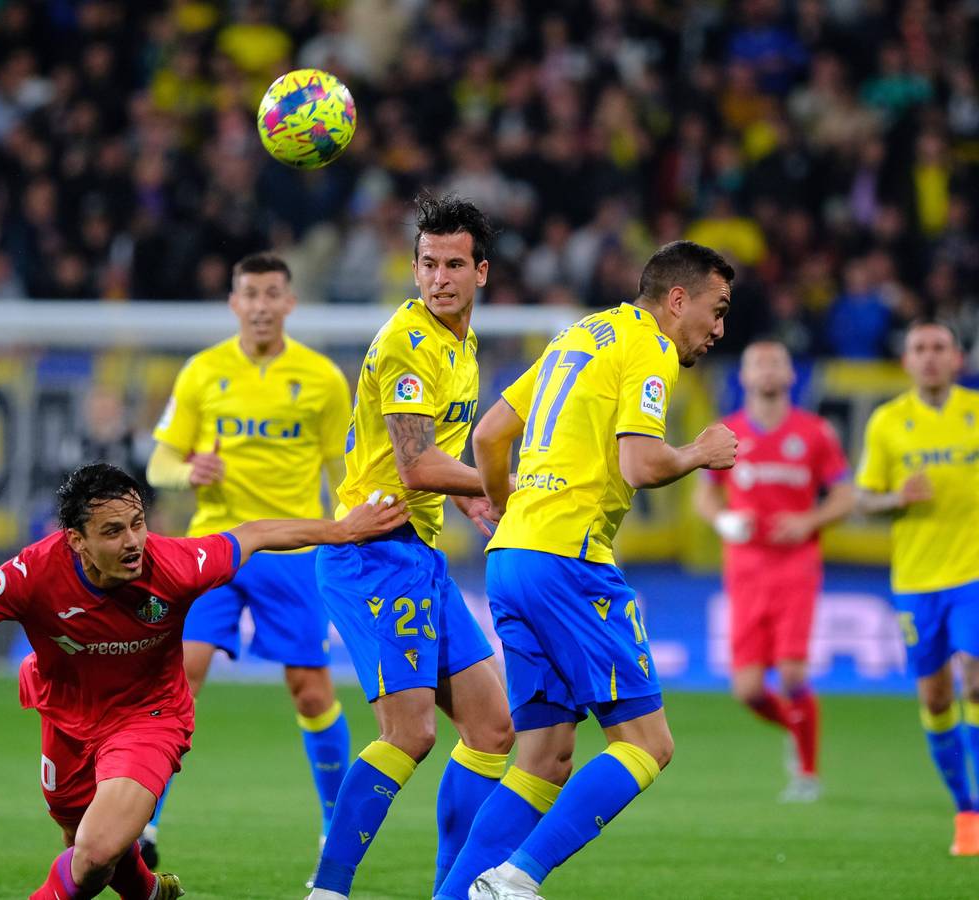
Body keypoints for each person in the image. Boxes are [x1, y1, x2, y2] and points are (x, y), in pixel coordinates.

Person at [0, 463, 407, 900]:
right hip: (66, 720)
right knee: (89, 852)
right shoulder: (31, 573)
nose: (133, 541)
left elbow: (255, 535)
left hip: (149, 719)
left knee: (96, 849)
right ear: (76, 541)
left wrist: (343, 529)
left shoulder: (175, 564)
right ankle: (151, 895)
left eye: (136, 522)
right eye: (113, 531)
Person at [444, 241, 739, 900]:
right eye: (716, 311)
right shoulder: (650, 347)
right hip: (570, 560)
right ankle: (518, 879)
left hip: (512, 557)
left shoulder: (578, 333)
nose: (719, 329)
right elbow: (640, 463)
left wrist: (501, 503)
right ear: (677, 299)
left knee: (542, 760)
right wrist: (698, 451)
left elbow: (491, 433)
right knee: (646, 744)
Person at [306, 193, 515, 900]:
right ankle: (327, 890)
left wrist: (467, 492)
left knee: (492, 728)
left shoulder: (462, 341)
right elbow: (415, 465)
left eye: (454, 264)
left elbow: (437, 457)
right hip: (372, 550)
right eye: (427, 264)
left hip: (416, 552)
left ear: (481, 272)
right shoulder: (409, 342)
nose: (438, 279)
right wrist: (513, 480)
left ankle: (452, 892)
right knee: (410, 734)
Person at [145, 251, 354, 875]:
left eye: (272, 294)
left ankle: (333, 834)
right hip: (216, 543)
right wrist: (187, 470)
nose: (261, 305)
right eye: (250, 294)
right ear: (233, 303)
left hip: (291, 549)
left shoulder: (322, 380)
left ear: (290, 303)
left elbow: (343, 471)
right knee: (181, 676)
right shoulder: (202, 372)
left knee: (311, 690)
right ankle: (144, 826)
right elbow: (159, 462)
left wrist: (351, 531)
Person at [693, 341, 854, 802]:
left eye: (776, 362)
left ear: (790, 375)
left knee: (790, 673)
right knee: (746, 689)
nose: (767, 370)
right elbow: (705, 495)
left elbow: (844, 495)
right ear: (742, 377)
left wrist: (808, 521)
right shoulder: (727, 435)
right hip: (744, 570)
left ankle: (807, 773)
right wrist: (722, 520)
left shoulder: (816, 432)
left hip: (796, 567)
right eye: (757, 363)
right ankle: (795, 727)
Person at [856, 321, 979, 856]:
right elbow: (864, 500)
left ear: (957, 358)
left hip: (972, 576)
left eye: (939, 348)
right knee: (935, 696)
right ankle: (965, 809)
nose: (930, 358)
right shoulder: (888, 423)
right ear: (906, 362)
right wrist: (896, 498)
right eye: (919, 349)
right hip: (915, 582)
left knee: (974, 682)